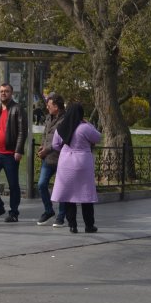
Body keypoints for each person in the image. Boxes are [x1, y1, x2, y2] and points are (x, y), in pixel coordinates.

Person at [50, 103, 102, 233]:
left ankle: (72, 225)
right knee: (86, 195)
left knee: (69, 195)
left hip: (66, 162)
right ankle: (89, 225)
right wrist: (89, 124)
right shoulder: (84, 128)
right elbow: (98, 137)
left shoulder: (61, 128)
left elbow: (55, 145)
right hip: (82, 162)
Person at [0, 83, 28, 222]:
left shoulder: (18, 109)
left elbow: (22, 131)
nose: (3, 93)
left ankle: (14, 213)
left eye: (6, 91)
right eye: (1, 91)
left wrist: (18, 150)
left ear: (11, 93)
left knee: (13, 184)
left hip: (10, 154)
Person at [36, 93, 67, 225]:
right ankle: (48, 210)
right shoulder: (49, 117)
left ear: (56, 106)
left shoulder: (65, 119)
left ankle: (61, 216)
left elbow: (61, 140)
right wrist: (42, 146)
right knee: (41, 184)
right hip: (48, 158)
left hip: (61, 158)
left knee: (62, 188)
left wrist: (47, 149)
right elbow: (45, 134)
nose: (47, 107)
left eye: (49, 105)